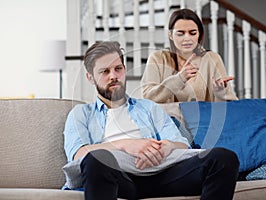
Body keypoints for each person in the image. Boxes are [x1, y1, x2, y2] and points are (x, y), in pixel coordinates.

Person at [63, 41, 239, 200]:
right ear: (90, 77)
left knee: (224, 158)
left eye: (118, 69)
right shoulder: (80, 113)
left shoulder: (148, 107)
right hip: (120, 178)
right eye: (104, 71)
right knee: (96, 159)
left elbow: (181, 144)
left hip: (162, 173)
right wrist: (126, 145)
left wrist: (164, 147)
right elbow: (78, 155)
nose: (113, 76)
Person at [141, 8, 238, 103]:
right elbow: (147, 98)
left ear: (199, 34)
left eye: (193, 33)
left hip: (202, 118)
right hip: (165, 119)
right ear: (170, 35)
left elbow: (230, 105)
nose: (187, 38)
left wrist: (220, 93)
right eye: (180, 33)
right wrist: (179, 79)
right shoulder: (157, 58)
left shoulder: (211, 59)